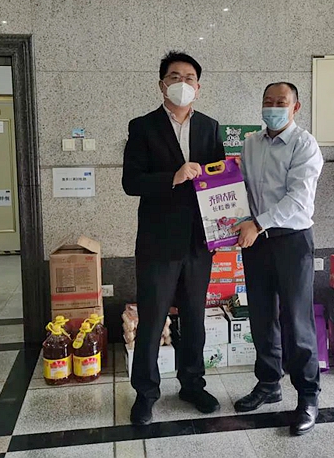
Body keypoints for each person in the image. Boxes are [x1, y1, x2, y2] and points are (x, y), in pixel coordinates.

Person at [122, 51, 225, 426]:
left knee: (194, 319)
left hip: (199, 242)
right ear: (162, 84)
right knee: (152, 321)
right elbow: (131, 182)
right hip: (158, 242)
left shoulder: (210, 127)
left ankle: (192, 384)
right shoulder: (143, 127)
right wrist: (173, 177)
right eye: (175, 77)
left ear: (199, 87)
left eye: (189, 78)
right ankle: (145, 394)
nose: (183, 83)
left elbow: (219, 181)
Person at [231, 82, 323, 436]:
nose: (273, 107)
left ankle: (308, 396)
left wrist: (257, 224)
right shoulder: (251, 143)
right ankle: (269, 383)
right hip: (256, 243)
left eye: (280, 102)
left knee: (297, 321)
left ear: (295, 107)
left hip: (291, 241)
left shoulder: (304, 144)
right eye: (267, 101)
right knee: (261, 316)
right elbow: (243, 189)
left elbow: (299, 199)